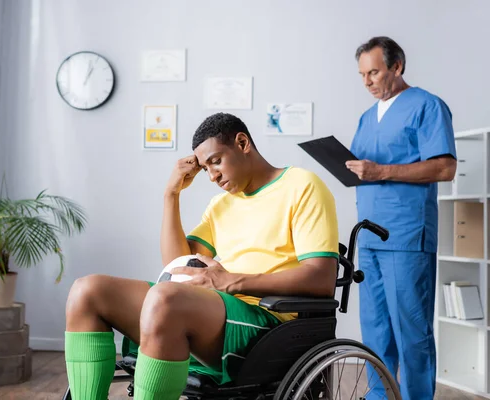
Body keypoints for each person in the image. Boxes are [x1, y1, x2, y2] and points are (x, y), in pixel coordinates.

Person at [64, 112, 340, 399]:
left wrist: (231, 281)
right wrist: (171, 195)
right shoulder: (220, 205)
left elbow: (321, 277)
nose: (212, 176)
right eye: (206, 168)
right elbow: (176, 265)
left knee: (165, 298)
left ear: (243, 143)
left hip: (269, 321)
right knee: (87, 291)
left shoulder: (302, 185)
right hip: (217, 310)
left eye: (216, 162)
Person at [346, 36, 457, 400]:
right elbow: (368, 170)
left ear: (397, 66)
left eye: (374, 72)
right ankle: (379, 397)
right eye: (362, 74)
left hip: (407, 235)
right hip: (371, 237)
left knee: (411, 331)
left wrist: (381, 171)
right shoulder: (366, 117)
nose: (367, 81)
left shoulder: (427, 106)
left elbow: (444, 166)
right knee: (375, 330)